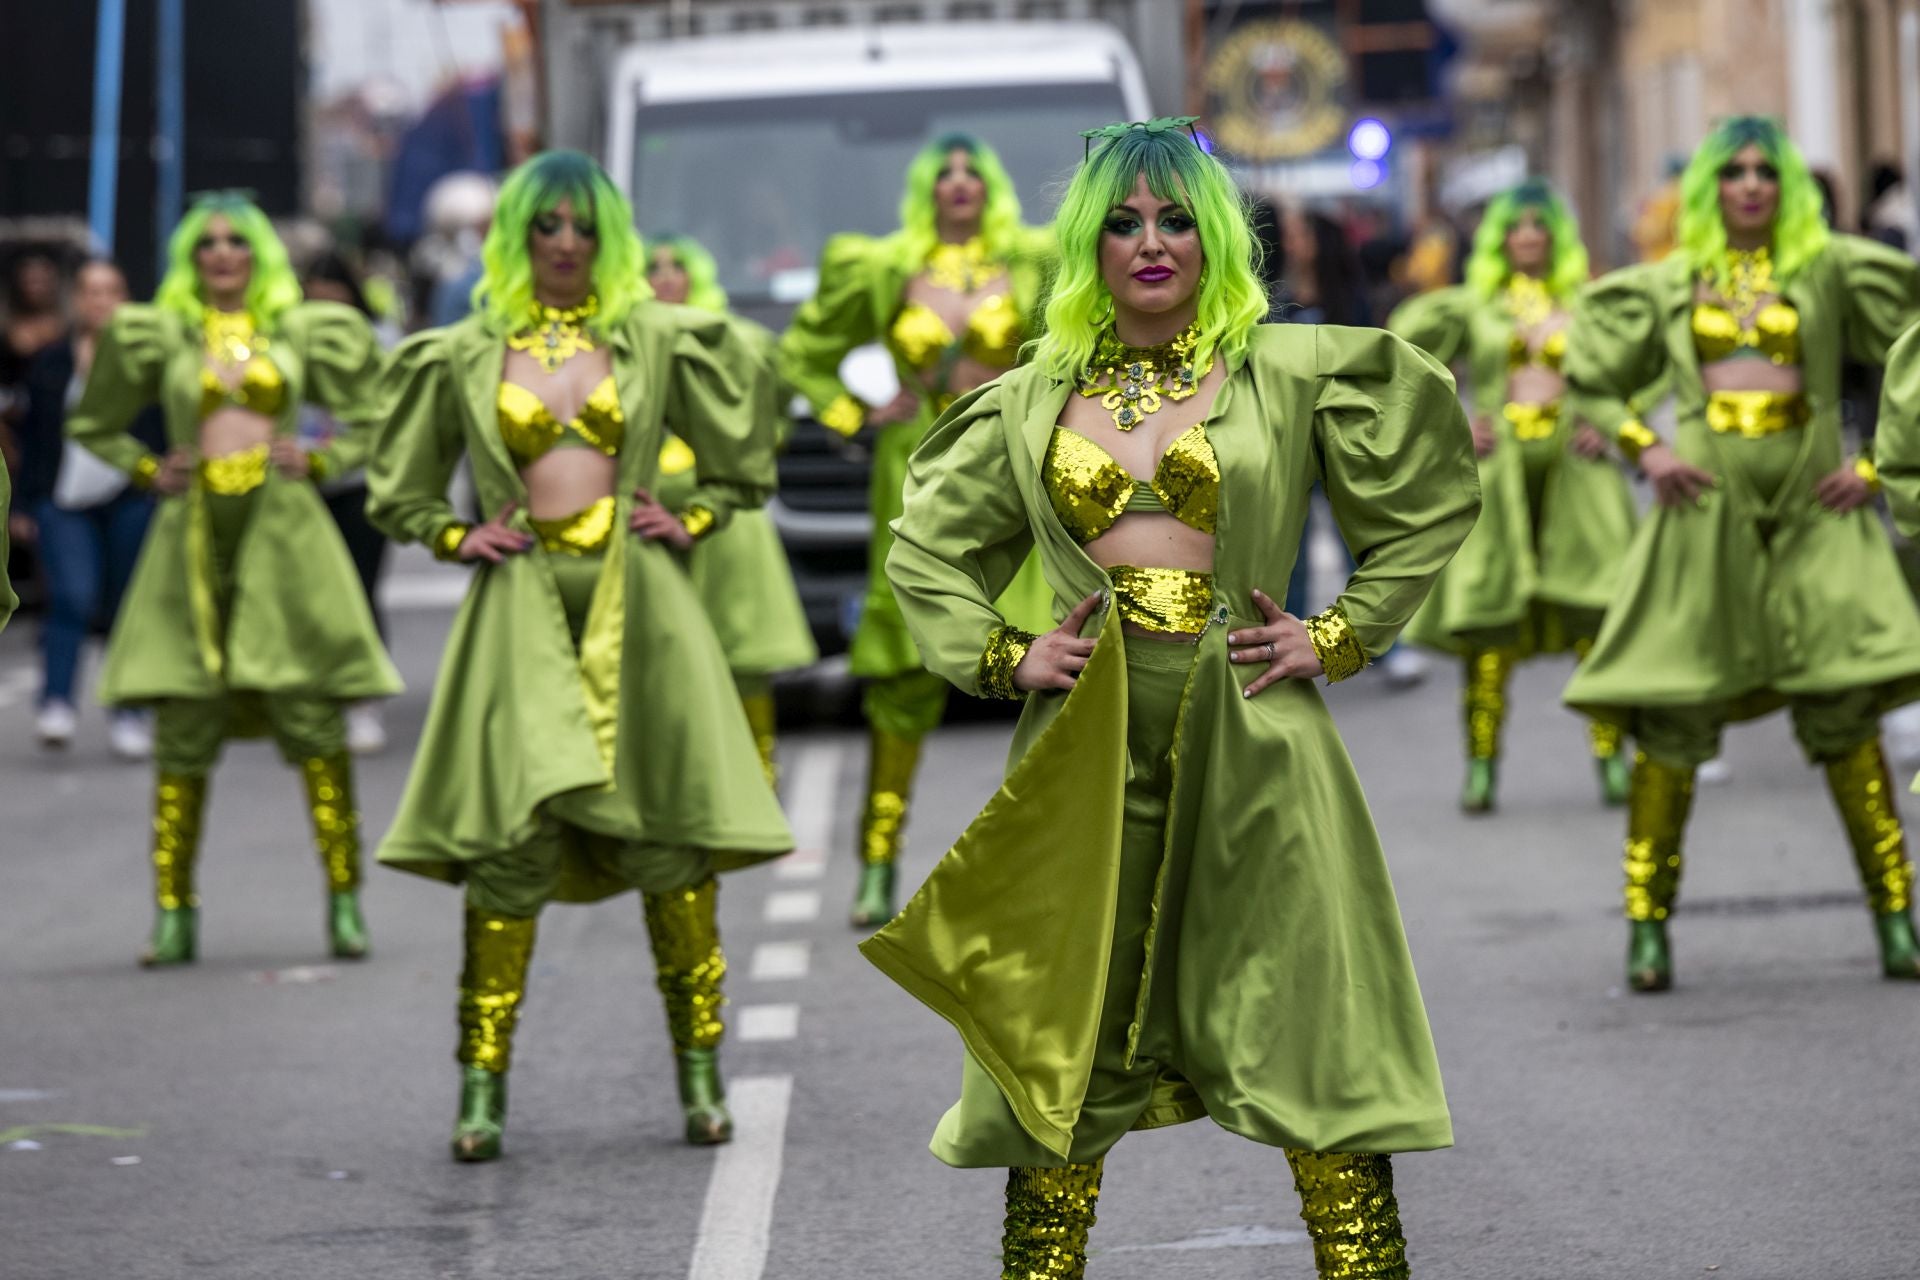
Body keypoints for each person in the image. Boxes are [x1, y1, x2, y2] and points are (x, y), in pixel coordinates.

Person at [862, 117, 1477, 1280]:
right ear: (1089, 244)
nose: (1153, 241)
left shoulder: (1289, 370)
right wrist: (1006, 653)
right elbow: (924, 551)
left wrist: (1337, 634)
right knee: (1065, 1031)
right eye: (1126, 222)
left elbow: (1433, 487)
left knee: (1308, 1020)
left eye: (1179, 219)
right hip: (1085, 751)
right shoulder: (1030, 398)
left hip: (1254, 723)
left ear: (1217, 241)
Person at [368, 151, 793, 1163]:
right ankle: (481, 1089)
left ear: (608, 238)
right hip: (518, 610)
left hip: (640, 606)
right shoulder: (468, 349)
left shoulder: (653, 336)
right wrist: (452, 535)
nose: (565, 244)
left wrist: (691, 512)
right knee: (509, 849)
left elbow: (748, 444)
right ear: (517, 238)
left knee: (667, 846)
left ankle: (701, 1076)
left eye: (584, 227)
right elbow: (399, 484)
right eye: (547, 227)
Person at [1563, 116, 1920, 990]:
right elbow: (1595, 375)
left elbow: (1913, 342)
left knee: (1845, 711)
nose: (1752, 183)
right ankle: (1648, 931)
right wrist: (1649, 447)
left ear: (1787, 184)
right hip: (1704, 510)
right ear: (1711, 188)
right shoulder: (1674, 281)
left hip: (1814, 507)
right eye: (1735, 171)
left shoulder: (1830, 266)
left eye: (1767, 169)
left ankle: (1897, 922)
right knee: (1674, 720)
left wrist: (1878, 462)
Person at [66, 192, 399, 968]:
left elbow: (380, 415)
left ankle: (345, 903)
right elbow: (92, 423)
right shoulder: (160, 334)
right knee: (183, 728)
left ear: (259, 256)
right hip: (191, 535)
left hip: (284, 533)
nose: (222, 254)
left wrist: (321, 459)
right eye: (208, 243)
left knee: (315, 723)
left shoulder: (302, 330)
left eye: (237, 241)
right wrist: (150, 468)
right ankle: (174, 913)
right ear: (192, 257)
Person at [779, 133, 1056, 926]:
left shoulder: (1034, 261)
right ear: (927, 191)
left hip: (1014, 463)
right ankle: (877, 864)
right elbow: (802, 354)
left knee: (1048, 661)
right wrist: (851, 414)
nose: (959, 183)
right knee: (902, 677)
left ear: (991, 186)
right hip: (916, 467)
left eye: (974, 170)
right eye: (945, 172)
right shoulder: (882, 266)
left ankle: (1050, 863)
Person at [1390, 181, 1637, 811]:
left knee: (1596, 619)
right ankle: (1480, 768)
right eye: (1516, 224)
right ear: (1499, 236)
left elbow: (1645, 359)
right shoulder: (1478, 305)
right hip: (1498, 473)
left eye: (1540, 223)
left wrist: (1612, 424)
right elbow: (1403, 349)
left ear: (1557, 233)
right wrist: (1450, 421)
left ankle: (1612, 759)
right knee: (1490, 631)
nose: (1529, 234)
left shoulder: (1587, 301)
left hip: (1574, 474)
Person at [645, 233, 817, 781]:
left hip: (727, 518)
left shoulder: (737, 338)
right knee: (664, 657)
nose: (666, 278)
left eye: (678, 267)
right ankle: (685, 775)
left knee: (742, 649)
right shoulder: (625, 342)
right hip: (649, 517)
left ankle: (759, 765)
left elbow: (786, 389)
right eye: (654, 268)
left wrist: (761, 447)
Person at [13, 259, 161, 757]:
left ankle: (130, 709)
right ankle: (56, 700)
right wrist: (24, 503)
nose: (100, 301)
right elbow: (34, 438)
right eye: (90, 291)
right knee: (72, 596)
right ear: (76, 299)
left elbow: (164, 428)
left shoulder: (148, 360)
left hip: (130, 497)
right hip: (65, 499)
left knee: (127, 605)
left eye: (111, 290)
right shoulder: (52, 362)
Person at [300, 250, 394, 755]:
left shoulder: (379, 341)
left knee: (359, 587)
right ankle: (321, 690)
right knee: (312, 593)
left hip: (360, 482)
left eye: (332, 288)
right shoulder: (286, 336)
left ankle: (363, 697)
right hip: (302, 484)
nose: (323, 299)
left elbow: (391, 414)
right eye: (315, 287)